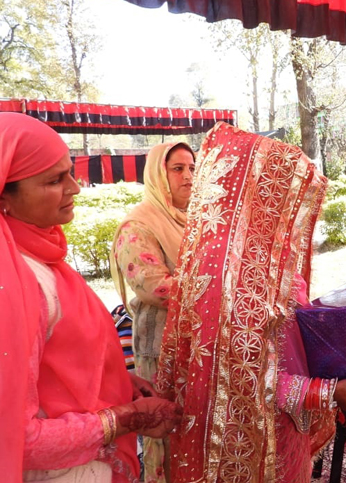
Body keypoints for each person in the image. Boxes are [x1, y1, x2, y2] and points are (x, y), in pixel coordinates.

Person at [155, 122, 346, 483]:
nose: (285, 205)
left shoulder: (266, 253)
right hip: (246, 442)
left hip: (285, 425)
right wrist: (328, 392)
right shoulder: (222, 272)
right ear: (249, 190)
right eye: (278, 191)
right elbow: (241, 380)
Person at [0, 112, 182, 482]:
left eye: (69, 171)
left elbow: (57, 357)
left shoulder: (41, 257)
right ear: (4, 191)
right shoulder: (15, 280)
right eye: (54, 180)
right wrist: (124, 419)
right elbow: (17, 436)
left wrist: (117, 382)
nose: (75, 188)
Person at [110, 141, 194, 483]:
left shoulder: (197, 220)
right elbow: (155, 287)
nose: (189, 176)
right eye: (177, 169)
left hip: (202, 346)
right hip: (162, 350)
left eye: (192, 168)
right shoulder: (138, 227)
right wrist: (221, 287)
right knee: (167, 433)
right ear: (158, 176)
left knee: (200, 429)